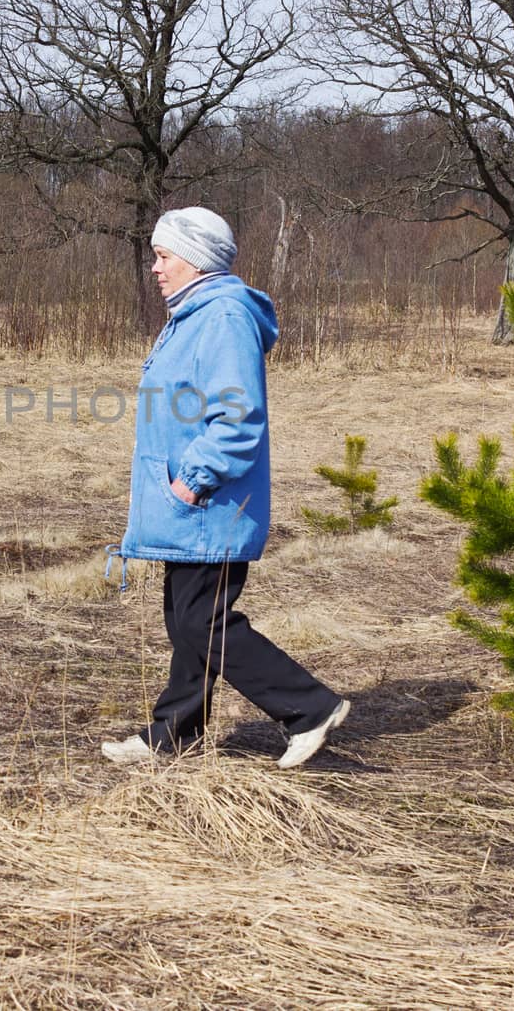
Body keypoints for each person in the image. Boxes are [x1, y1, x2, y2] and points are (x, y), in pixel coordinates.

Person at [102, 207, 350, 769]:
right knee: (186, 619)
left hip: (208, 503)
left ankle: (309, 709)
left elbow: (238, 420)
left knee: (200, 621)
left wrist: (191, 482)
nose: (154, 268)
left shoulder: (223, 317)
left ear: (196, 258)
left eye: (163, 256)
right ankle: (175, 732)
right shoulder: (193, 314)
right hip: (186, 505)